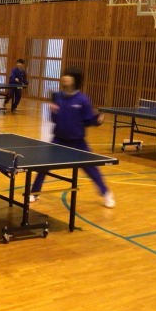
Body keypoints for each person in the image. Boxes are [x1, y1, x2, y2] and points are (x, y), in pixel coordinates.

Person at [29, 67, 115, 208]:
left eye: (69, 75)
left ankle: (106, 193)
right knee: (43, 166)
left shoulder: (83, 100)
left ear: (75, 79)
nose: (65, 77)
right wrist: (53, 112)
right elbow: (54, 120)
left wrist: (97, 120)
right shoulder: (58, 96)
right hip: (58, 139)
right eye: (65, 75)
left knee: (91, 168)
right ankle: (34, 192)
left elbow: (87, 120)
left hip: (77, 142)